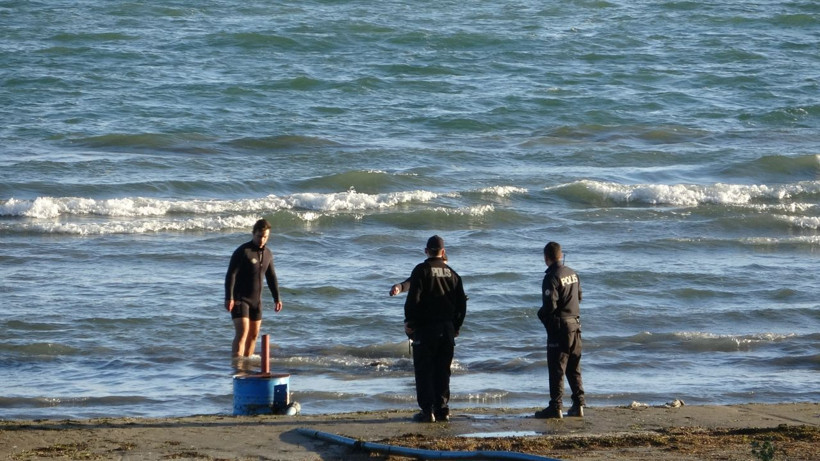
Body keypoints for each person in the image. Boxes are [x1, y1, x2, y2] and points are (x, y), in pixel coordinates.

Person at [402, 236, 467, 422]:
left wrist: (410, 323)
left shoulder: (421, 270)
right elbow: (462, 305)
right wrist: (456, 326)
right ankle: (442, 409)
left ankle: (427, 411)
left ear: (426, 251)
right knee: (443, 370)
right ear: (443, 252)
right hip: (446, 329)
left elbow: (413, 301)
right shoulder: (453, 274)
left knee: (424, 370)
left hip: (425, 329)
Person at [535, 241, 585, 419]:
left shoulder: (551, 277)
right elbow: (579, 297)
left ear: (546, 257)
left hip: (560, 328)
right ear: (560, 255)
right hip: (575, 326)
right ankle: (578, 404)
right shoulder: (572, 273)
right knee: (573, 367)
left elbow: (550, 305)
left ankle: (556, 407)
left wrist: (540, 315)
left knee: (557, 368)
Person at [224, 218, 283, 359]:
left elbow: (271, 277)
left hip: (256, 301)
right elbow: (231, 275)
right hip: (240, 298)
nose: (262, 240)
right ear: (253, 233)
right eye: (259, 236)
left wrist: (277, 298)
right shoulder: (243, 251)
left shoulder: (268, 253)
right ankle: (237, 365)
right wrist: (229, 297)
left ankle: (247, 364)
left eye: (265, 237)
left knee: (254, 335)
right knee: (242, 332)